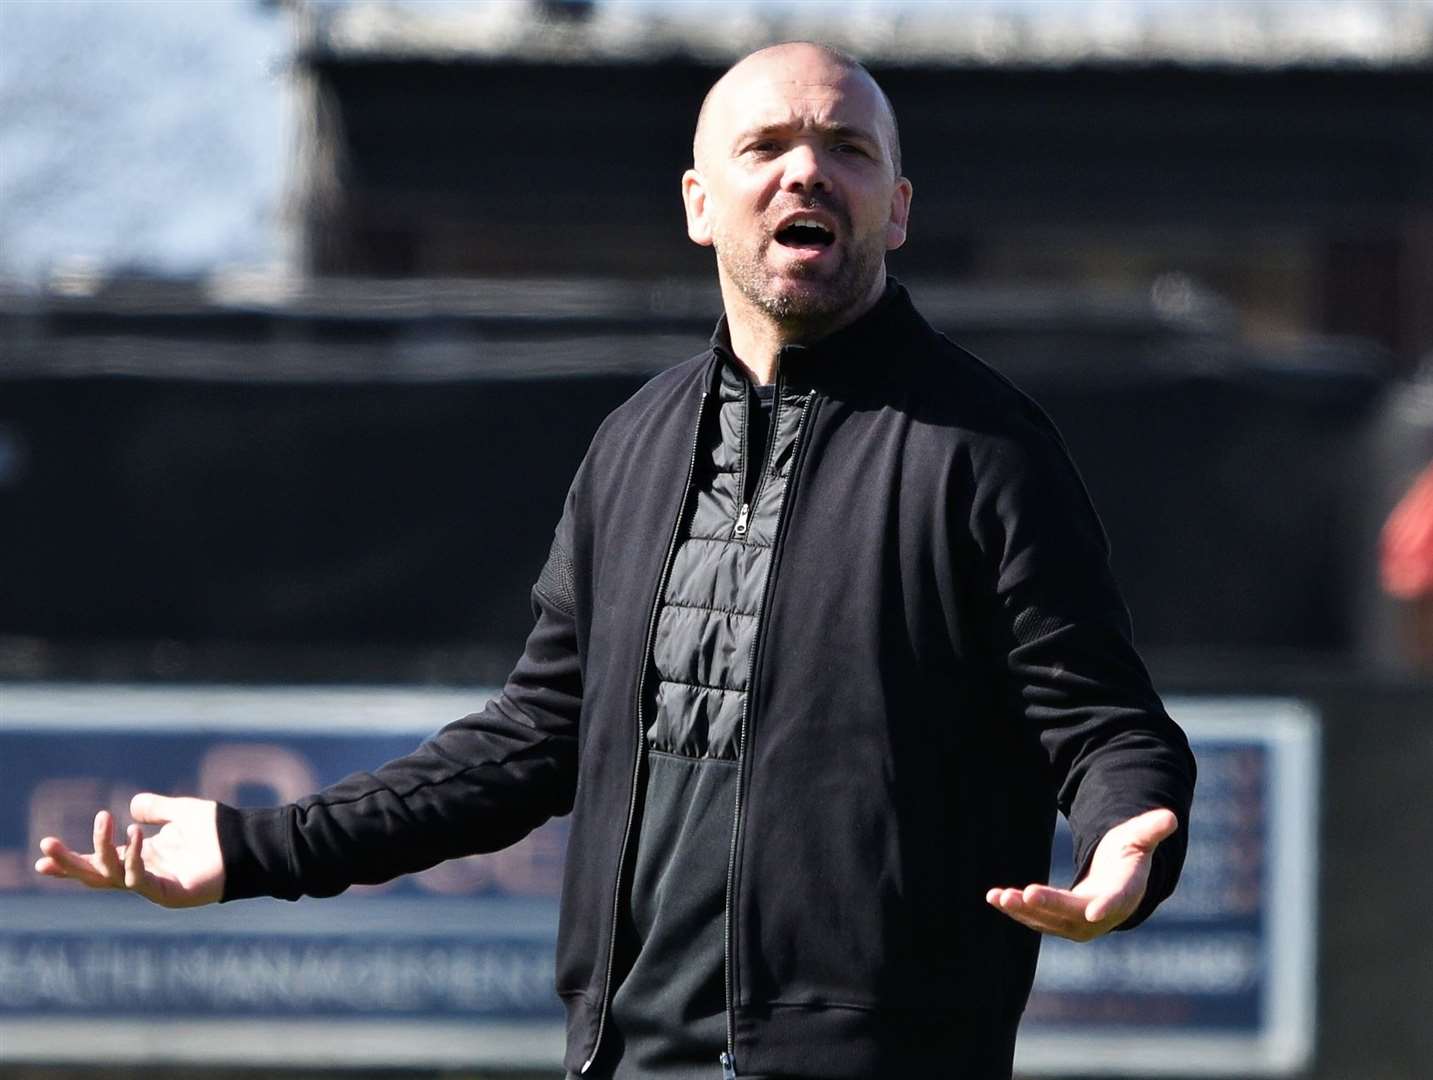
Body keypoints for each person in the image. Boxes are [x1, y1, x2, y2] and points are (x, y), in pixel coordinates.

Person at [35, 42, 1196, 1080]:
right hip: (623, 1056)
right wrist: (253, 847)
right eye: (766, 145)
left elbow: (1103, 726)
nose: (805, 171)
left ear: (893, 208)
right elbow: (528, 741)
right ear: (699, 202)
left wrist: (1128, 833)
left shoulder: (982, 451)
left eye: (844, 148)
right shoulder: (634, 448)